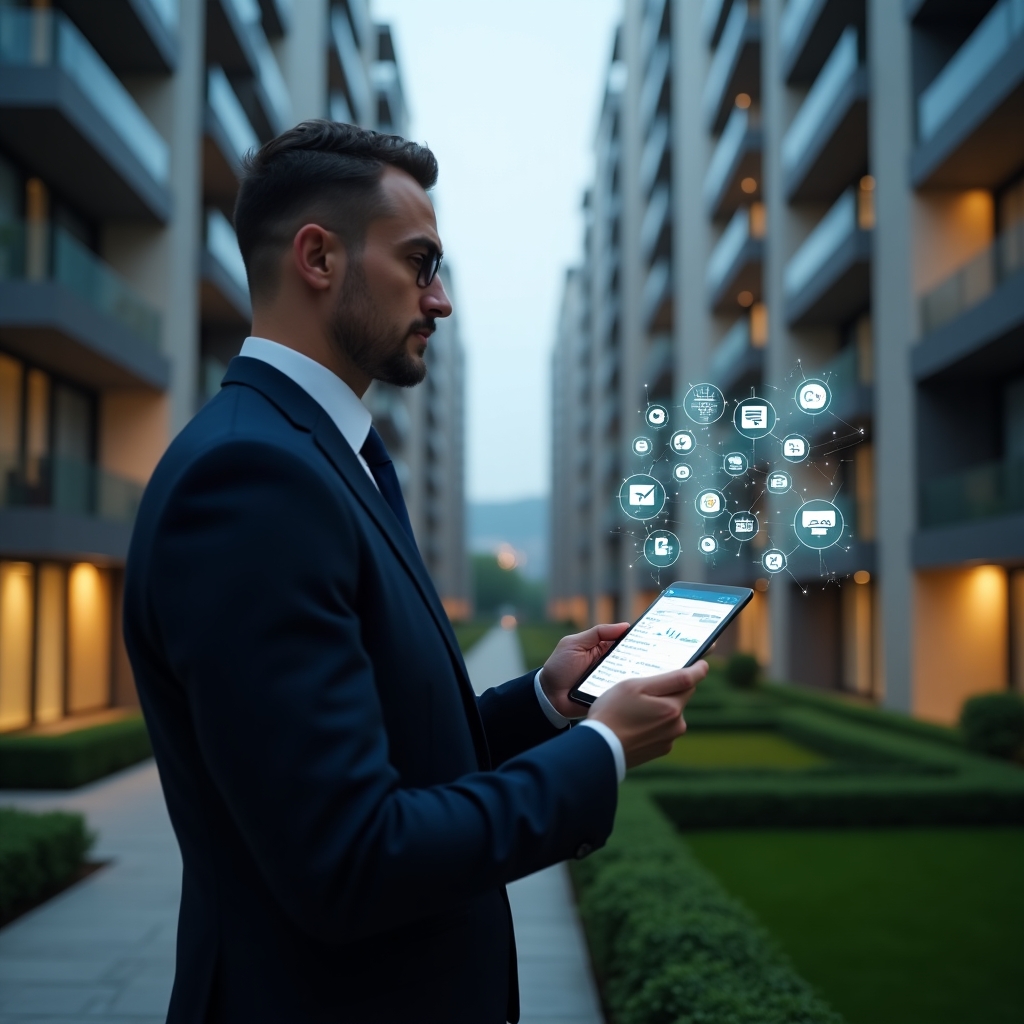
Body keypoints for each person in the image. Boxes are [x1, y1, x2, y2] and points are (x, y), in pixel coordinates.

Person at [123, 120, 706, 1024]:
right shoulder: (253, 482)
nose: (439, 302)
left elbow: (373, 751)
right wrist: (602, 751)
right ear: (318, 257)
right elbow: (353, 858)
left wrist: (547, 705)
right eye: (420, 263)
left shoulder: (312, 455)